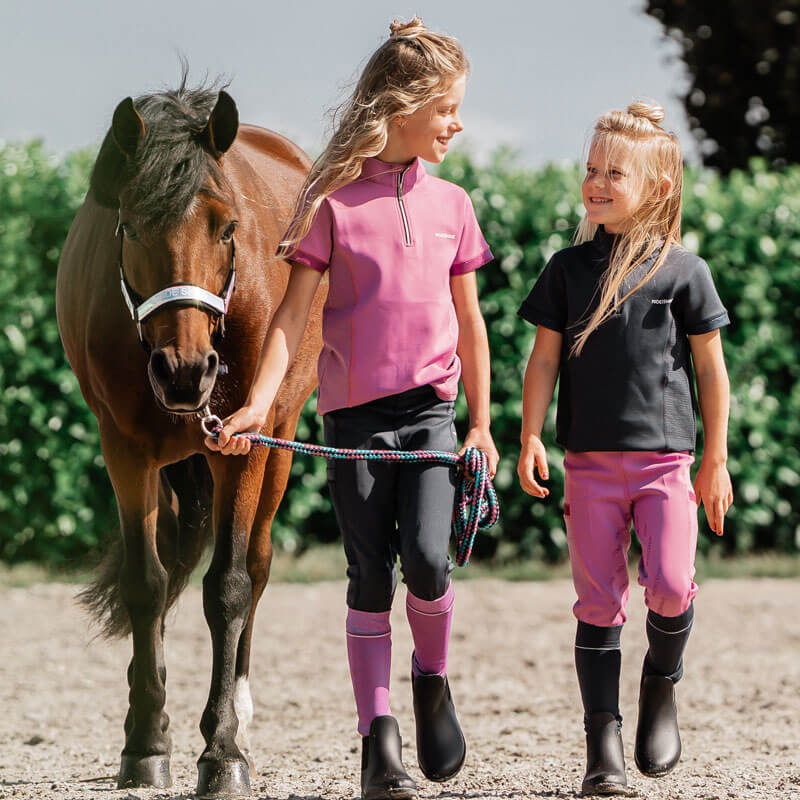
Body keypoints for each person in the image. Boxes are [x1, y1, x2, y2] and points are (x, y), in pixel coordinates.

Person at [206, 17, 498, 800]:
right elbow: (291, 319)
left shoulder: (454, 205)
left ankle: (431, 682)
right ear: (402, 107)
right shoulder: (331, 205)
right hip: (356, 422)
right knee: (370, 575)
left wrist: (480, 425)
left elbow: (471, 323)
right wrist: (257, 406)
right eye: (446, 109)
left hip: (432, 417)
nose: (456, 124)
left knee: (429, 563)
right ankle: (379, 740)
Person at [516, 101, 733, 796]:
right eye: (591, 169)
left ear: (658, 186)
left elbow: (711, 372)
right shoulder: (566, 269)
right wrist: (529, 434)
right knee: (597, 602)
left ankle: (660, 683)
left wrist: (715, 459)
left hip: (666, 464)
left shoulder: (685, 272)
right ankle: (602, 741)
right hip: (588, 465)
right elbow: (544, 360)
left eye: (615, 172)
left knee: (669, 583)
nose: (596, 183)